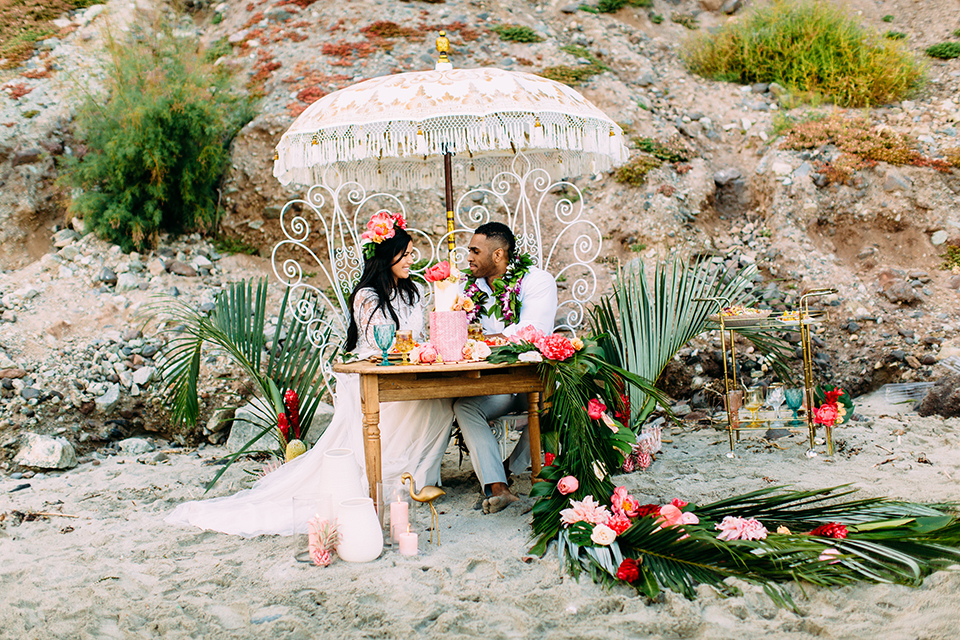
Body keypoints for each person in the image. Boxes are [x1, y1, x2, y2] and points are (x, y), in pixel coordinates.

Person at [165, 212, 454, 537]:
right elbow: (376, 343)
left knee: (441, 401)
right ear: (388, 256)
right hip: (374, 371)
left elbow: (420, 333)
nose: (411, 260)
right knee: (420, 404)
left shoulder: (412, 291)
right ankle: (391, 480)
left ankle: (419, 478)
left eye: (412, 254)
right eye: (406, 253)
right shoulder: (367, 296)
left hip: (410, 367)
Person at [453, 222, 557, 514]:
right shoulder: (465, 288)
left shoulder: (537, 281)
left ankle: (509, 467)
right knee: (465, 407)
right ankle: (497, 487)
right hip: (491, 381)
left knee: (552, 403)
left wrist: (482, 340)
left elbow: (532, 332)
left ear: (498, 255)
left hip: (530, 379)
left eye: (475, 251)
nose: (469, 257)